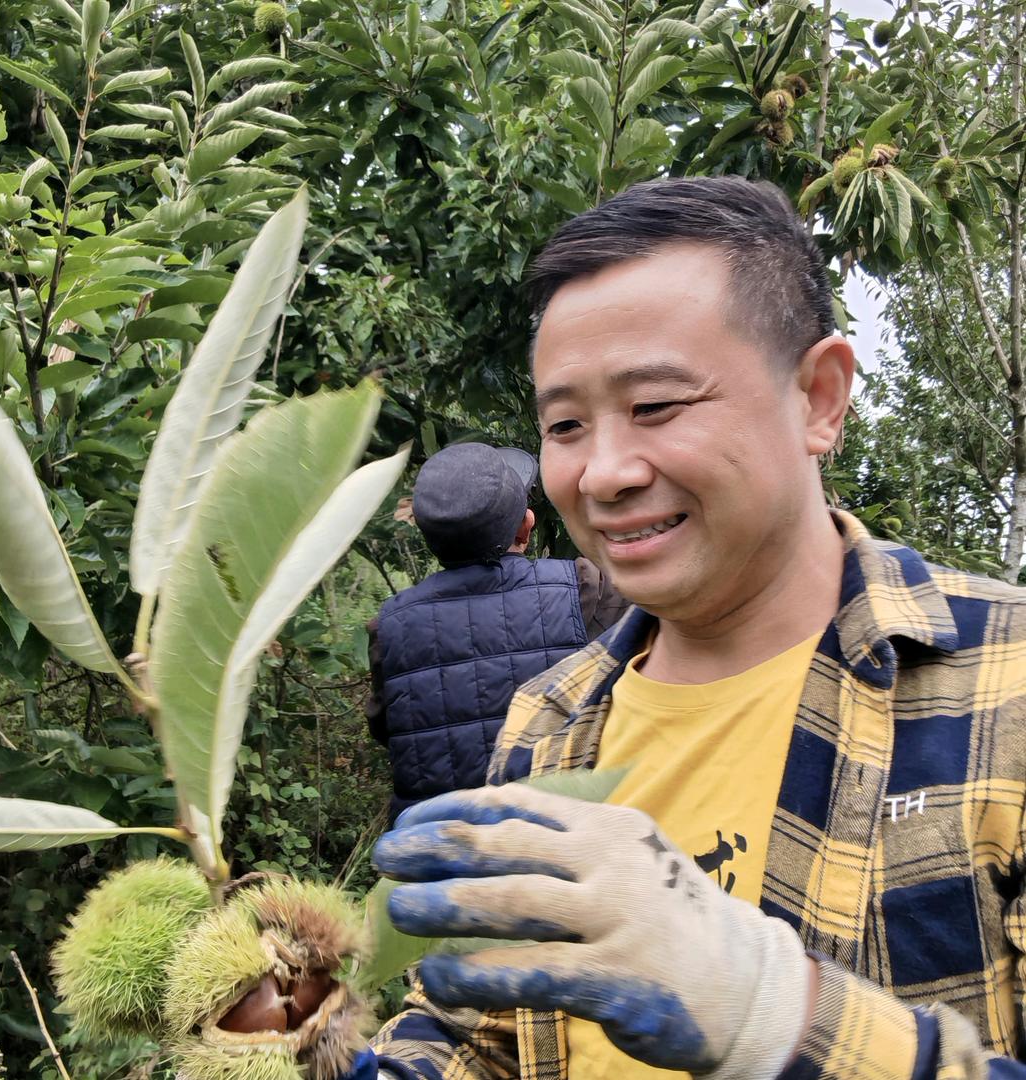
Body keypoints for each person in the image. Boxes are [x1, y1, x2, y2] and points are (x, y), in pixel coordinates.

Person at [343, 175, 1026, 1079]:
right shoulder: (546, 723)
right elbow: (482, 1026)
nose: (605, 473)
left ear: (819, 397)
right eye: (565, 424)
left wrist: (772, 1016)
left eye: (657, 406)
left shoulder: (1002, 691)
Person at [367, 441, 628, 821]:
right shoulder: (585, 588)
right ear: (526, 527)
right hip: (559, 840)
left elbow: (386, 729)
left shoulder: (389, 625)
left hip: (434, 854)